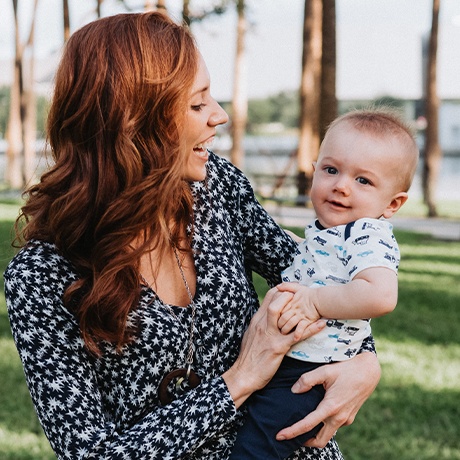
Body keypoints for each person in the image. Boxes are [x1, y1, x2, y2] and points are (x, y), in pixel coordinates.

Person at [4, 12, 381, 460]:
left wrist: (366, 360)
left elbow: (322, 271)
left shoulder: (215, 185)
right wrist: (240, 380)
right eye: (197, 105)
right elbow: (91, 453)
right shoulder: (41, 276)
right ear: (133, 123)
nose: (219, 116)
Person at [230, 108, 419, 459]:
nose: (341, 186)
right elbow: (329, 267)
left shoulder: (368, 234)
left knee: (258, 443)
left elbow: (380, 295)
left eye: (363, 180)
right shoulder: (334, 232)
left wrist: (314, 301)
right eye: (331, 170)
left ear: (393, 203)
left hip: (312, 370)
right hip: (294, 357)